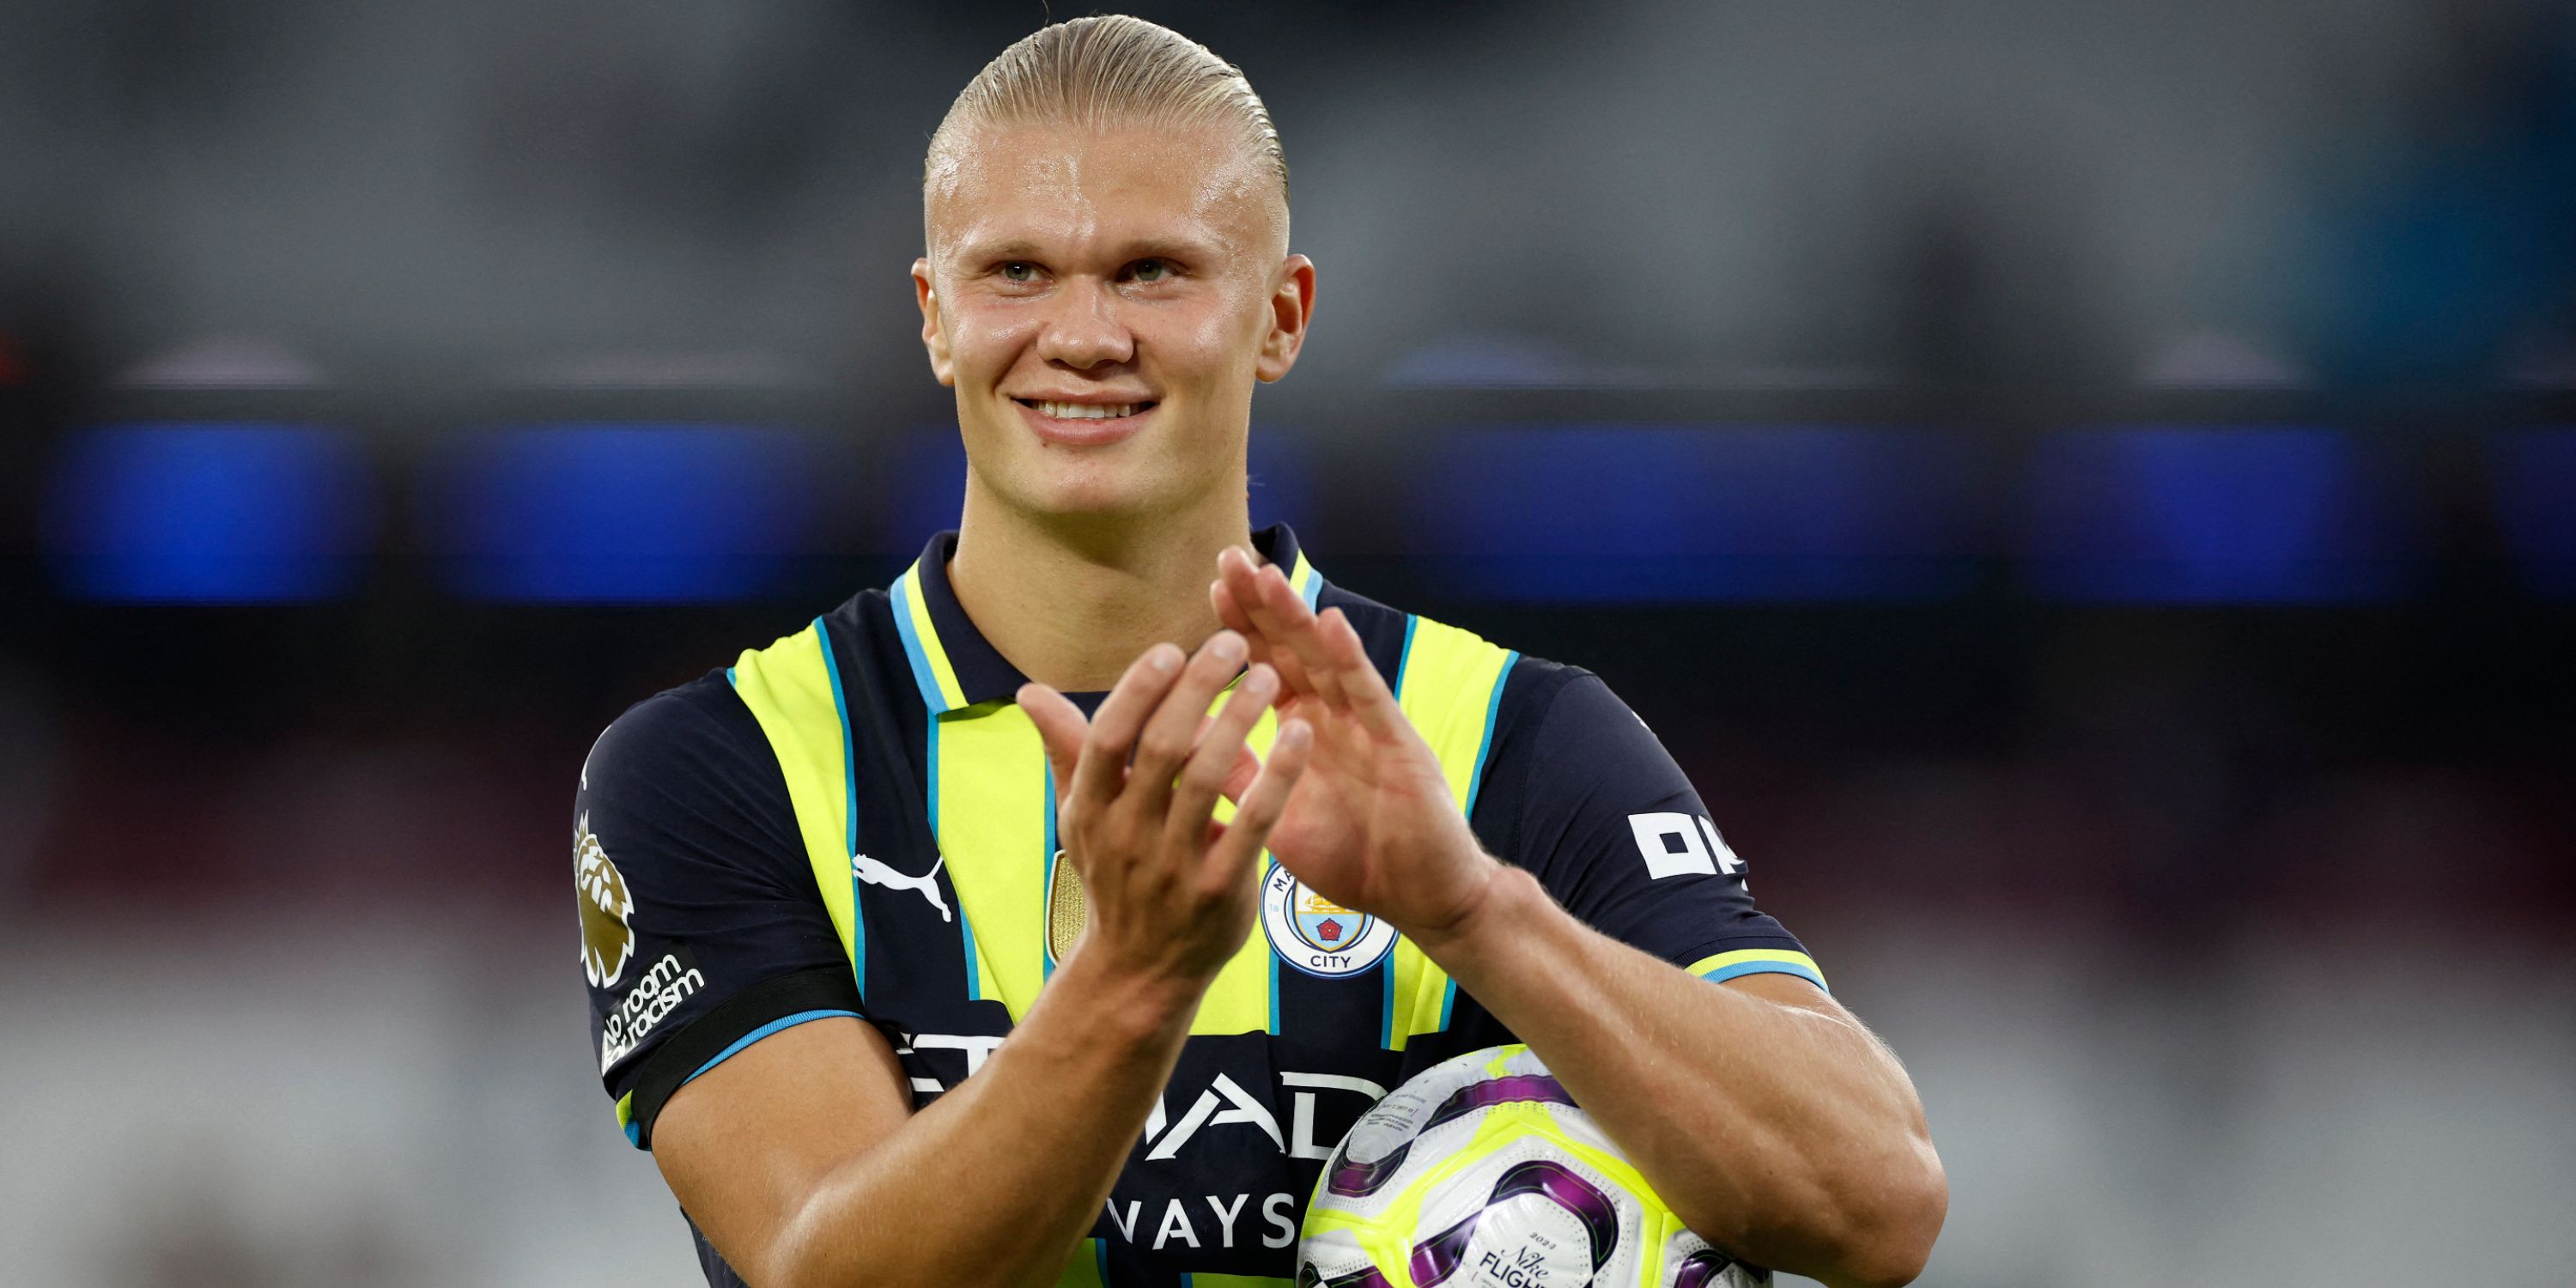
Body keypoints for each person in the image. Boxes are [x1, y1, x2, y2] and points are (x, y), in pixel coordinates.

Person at [574, 15, 1945, 1288]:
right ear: (935, 314)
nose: (1086, 334)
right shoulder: (726, 766)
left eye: (1153, 271)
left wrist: (1476, 910)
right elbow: (825, 1265)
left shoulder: (1505, 740)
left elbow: (1878, 1201)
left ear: (1281, 316)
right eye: (1017, 273)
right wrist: (1138, 981)